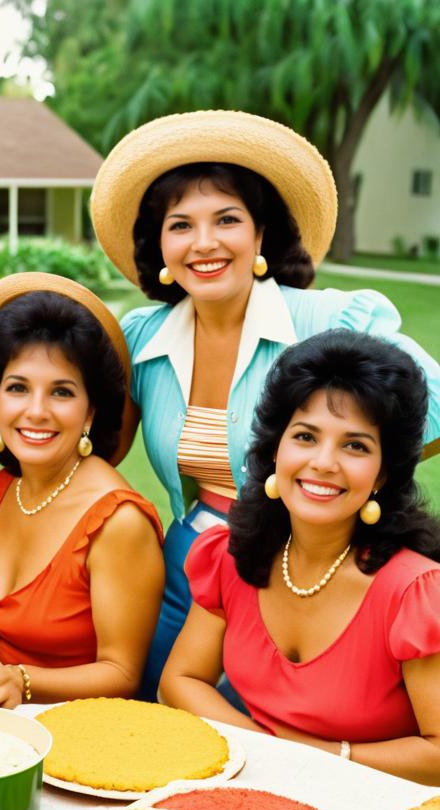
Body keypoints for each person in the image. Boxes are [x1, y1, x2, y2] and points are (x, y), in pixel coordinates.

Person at [90, 109, 440, 700]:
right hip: (189, 558)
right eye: (181, 226)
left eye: (227, 219)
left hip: (300, 567)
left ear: (260, 235)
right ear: (161, 247)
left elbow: (430, 408)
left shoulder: (328, 321)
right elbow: (97, 448)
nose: (204, 243)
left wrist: (354, 485)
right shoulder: (141, 336)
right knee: (161, 709)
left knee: (267, 736)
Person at [161, 331, 440, 785]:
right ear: (276, 450)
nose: (324, 462)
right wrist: (262, 751)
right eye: (306, 436)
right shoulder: (234, 555)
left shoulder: (416, 594)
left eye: (355, 445)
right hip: (250, 787)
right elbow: (180, 680)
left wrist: (322, 756)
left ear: (382, 474)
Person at [0, 273, 164, 707]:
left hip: (77, 730)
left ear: (90, 412)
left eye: (61, 392)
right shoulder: (6, 486)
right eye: (18, 388)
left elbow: (121, 674)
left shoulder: (119, 523)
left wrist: (21, 681)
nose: (36, 410)